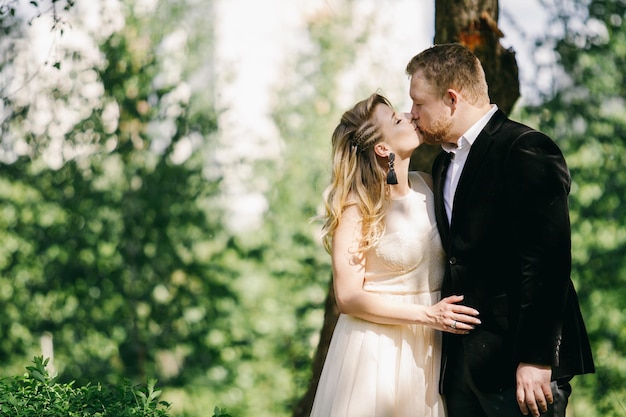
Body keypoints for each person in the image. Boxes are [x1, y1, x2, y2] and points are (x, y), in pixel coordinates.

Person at [404, 43, 595, 417]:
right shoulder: (442, 164)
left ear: (452, 99)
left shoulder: (525, 149)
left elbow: (547, 264)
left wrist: (537, 360)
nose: (412, 114)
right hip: (461, 368)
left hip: (519, 366)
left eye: (419, 103)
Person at [309, 92, 481, 417]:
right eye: (397, 119)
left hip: (432, 349)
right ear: (383, 149)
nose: (409, 115)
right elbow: (346, 296)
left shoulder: (429, 185)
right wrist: (428, 315)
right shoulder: (357, 210)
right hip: (377, 350)